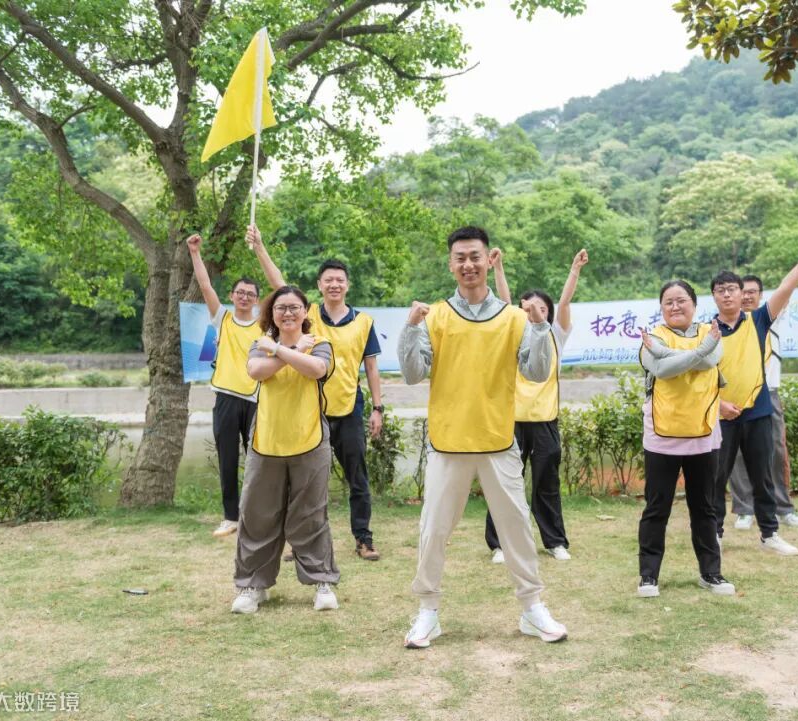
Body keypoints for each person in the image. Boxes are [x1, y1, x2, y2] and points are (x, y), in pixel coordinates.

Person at [398, 225, 569, 649]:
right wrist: (411, 329)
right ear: (450, 264)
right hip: (448, 443)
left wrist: (539, 329)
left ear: (489, 260)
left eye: (475, 256)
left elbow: (536, 373)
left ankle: (532, 608)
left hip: (497, 442)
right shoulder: (435, 315)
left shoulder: (514, 318)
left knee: (516, 529)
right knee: (433, 531)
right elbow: (413, 374)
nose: (468, 264)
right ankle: (427, 612)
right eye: (460, 257)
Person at [246, 226, 385, 561]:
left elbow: (371, 367)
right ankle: (300, 541)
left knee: (357, 478)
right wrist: (260, 247)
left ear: (347, 285)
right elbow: (280, 286)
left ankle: (363, 538)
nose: (334, 284)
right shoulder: (307, 316)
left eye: (340, 280)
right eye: (328, 280)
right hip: (310, 410)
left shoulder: (364, 321)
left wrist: (378, 408)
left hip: (348, 408)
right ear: (320, 285)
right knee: (305, 482)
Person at [710, 234, 798, 555]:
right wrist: (718, 404)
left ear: (743, 294)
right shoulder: (706, 331)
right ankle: (714, 532)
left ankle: (769, 534)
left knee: (763, 474)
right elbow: (698, 377)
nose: (727, 294)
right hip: (721, 414)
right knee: (716, 477)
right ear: (714, 296)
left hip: (758, 411)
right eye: (720, 290)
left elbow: (788, 286)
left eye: (732, 289)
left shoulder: (759, 319)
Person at [231, 285, 339, 614]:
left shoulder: (319, 344)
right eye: (281, 308)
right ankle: (252, 585)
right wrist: (289, 350)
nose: (288, 313)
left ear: (306, 312)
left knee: (311, 514)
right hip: (266, 442)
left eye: (294, 307)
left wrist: (278, 349)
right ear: (272, 313)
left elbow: (316, 369)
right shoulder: (259, 345)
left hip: (310, 440)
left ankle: (322, 581)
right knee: (257, 514)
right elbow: (256, 371)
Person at [485, 247, 589, 564]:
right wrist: (498, 268)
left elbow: (565, 302)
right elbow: (504, 304)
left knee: (547, 484)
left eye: (542, 308)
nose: (535, 312)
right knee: (505, 485)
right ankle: (500, 545)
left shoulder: (555, 336)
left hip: (545, 421)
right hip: (511, 422)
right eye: (529, 307)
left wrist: (575, 269)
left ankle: (554, 542)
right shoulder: (513, 334)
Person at [637, 280, 733, 597]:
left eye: (681, 300)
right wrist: (697, 351)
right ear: (661, 308)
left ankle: (711, 573)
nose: (675, 306)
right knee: (657, 507)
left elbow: (708, 361)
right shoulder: (652, 337)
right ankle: (648, 576)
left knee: (704, 507)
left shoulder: (711, 332)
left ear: (694, 304)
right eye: (668, 302)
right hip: (661, 434)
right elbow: (662, 371)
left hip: (703, 432)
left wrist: (673, 355)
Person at [187, 233, 262, 538]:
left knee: (259, 461)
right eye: (240, 292)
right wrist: (195, 253)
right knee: (227, 460)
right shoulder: (223, 319)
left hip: (256, 400)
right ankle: (231, 517)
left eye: (250, 294)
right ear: (232, 295)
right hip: (226, 400)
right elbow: (205, 286)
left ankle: (256, 515)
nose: (244, 297)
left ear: (257, 300)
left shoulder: (264, 326)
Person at [729, 274, 798, 531]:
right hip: (737, 397)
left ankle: (783, 508)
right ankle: (744, 510)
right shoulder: (729, 325)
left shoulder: (770, 318)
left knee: (776, 451)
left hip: (768, 393)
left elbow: (788, 287)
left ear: (761, 295)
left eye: (753, 292)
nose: (747, 296)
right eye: (743, 291)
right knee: (736, 455)